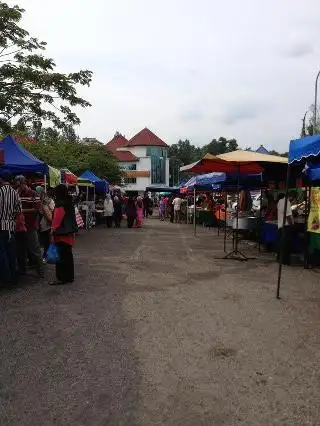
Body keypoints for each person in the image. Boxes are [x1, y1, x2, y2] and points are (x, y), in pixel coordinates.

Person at [15, 175, 43, 276]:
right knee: (21, 248)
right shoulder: (18, 193)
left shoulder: (33, 193)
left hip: (30, 225)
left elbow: (37, 209)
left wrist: (22, 211)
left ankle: (40, 270)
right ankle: (23, 269)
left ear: (24, 183)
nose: (18, 187)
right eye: (17, 185)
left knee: (34, 248)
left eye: (20, 185)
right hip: (21, 225)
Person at [51, 184, 78, 285]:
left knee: (61, 257)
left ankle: (61, 278)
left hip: (61, 234)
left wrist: (52, 230)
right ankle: (69, 277)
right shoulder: (69, 202)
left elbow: (56, 220)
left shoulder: (59, 204)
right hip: (69, 234)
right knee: (68, 257)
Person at [0, 170, 21, 285]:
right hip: (11, 227)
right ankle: (14, 277)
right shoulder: (15, 193)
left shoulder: (0, 192)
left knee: (2, 252)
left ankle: (6, 278)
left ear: (1, 179)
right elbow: (18, 212)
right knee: (11, 252)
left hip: (1, 227)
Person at [36, 186, 55, 261]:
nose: (37, 194)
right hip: (40, 223)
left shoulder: (49, 201)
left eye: (38, 192)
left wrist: (47, 211)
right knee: (42, 241)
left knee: (47, 241)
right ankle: (44, 255)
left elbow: (53, 210)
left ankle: (46, 256)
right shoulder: (37, 200)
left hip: (47, 223)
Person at [277, 193, 294, 265]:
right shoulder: (287, 202)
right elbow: (288, 215)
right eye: (292, 198)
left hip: (280, 225)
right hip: (286, 226)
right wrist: (292, 224)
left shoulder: (279, 202)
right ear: (290, 196)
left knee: (282, 244)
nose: (292, 200)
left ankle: (280, 259)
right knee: (286, 245)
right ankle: (285, 261)